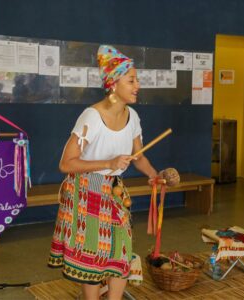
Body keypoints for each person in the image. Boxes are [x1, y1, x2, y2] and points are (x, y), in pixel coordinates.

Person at [48, 45, 158, 300]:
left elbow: (138, 157)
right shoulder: (92, 117)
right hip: (84, 190)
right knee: (92, 254)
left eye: (136, 80)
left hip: (113, 188)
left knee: (121, 247)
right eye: (131, 80)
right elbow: (66, 164)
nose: (137, 85)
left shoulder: (133, 116)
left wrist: (154, 175)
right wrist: (108, 162)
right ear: (113, 84)